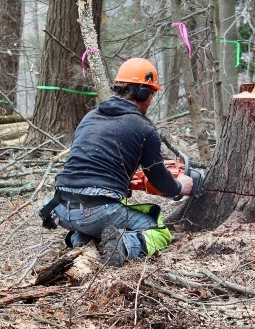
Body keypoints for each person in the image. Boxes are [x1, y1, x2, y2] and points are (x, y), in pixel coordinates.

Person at [40, 57, 193, 267]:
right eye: (152, 93)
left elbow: (89, 163)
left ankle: (80, 244)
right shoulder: (144, 128)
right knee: (159, 231)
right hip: (97, 211)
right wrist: (179, 186)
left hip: (60, 209)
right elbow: (159, 180)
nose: (151, 99)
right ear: (143, 92)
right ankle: (124, 245)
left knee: (96, 221)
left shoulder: (90, 118)